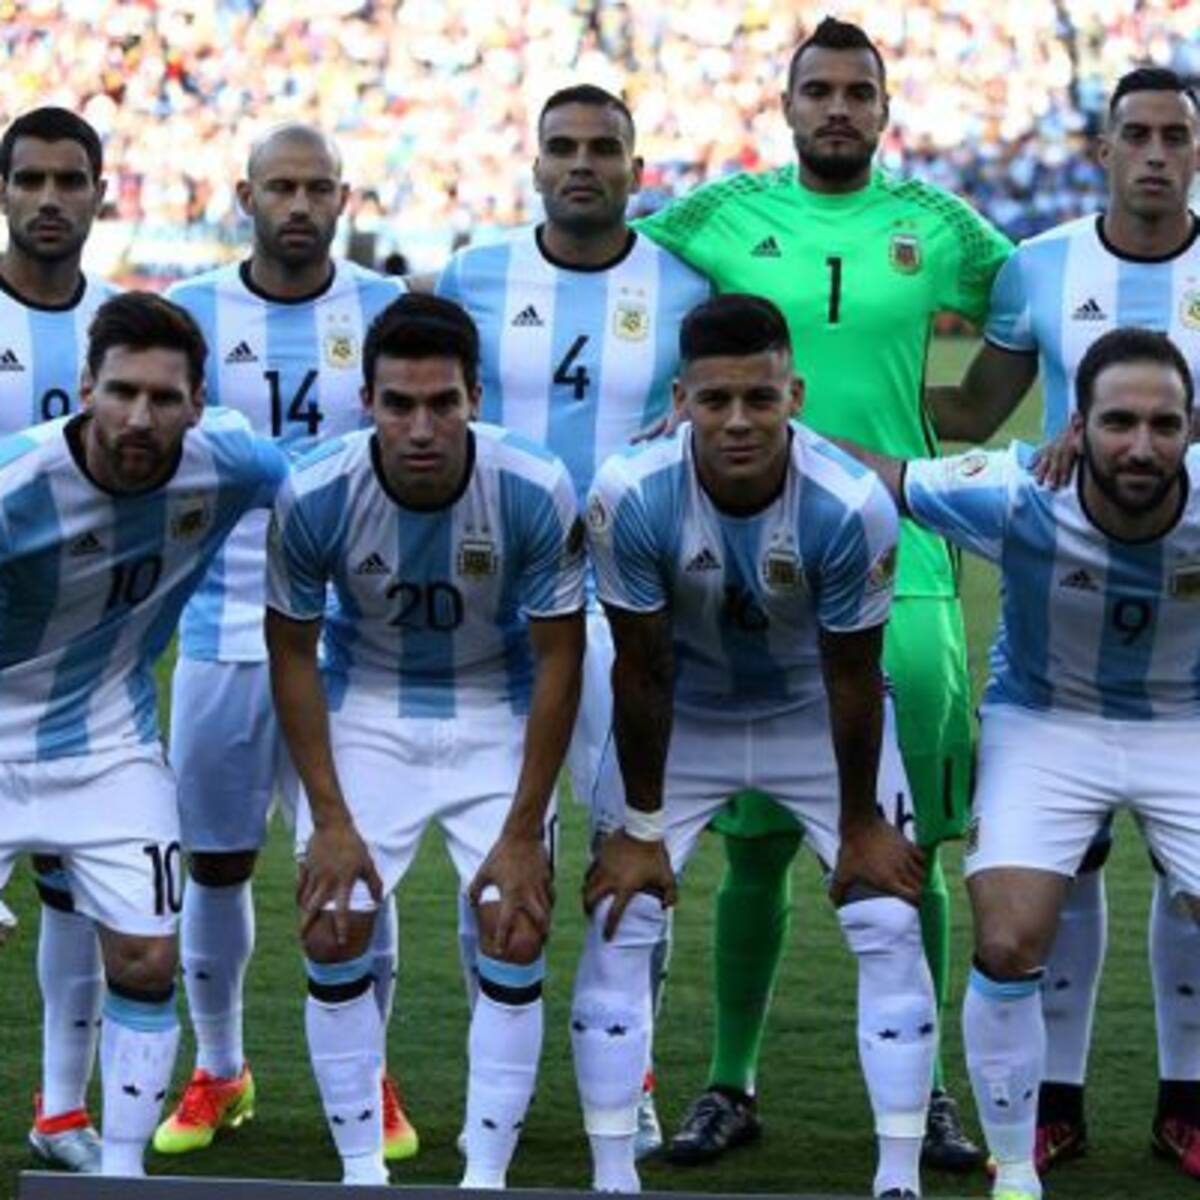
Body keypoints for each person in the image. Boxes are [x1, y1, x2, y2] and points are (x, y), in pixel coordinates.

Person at [634, 16, 1011, 1169]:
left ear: (885, 110)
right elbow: (616, 280)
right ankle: (730, 1081)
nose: (838, 107)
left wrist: (953, 431)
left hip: (911, 572)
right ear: (787, 105)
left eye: (858, 91)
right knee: (752, 847)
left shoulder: (942, 227)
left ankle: (927, 1091)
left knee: (910, 844)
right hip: (751, 574)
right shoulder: (716, 215)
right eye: (819, 90)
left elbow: (1027, 319)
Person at [572, 293, 934, 1200]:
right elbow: (640, 669)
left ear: (795, 396)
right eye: (716, 399)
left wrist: (860, 824)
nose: (738, 421)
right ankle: (613, 1177)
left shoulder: (851, 503)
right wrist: (641, 829)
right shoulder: (628, 491)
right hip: (683, 714)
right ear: (681, 400)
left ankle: (899, 1179)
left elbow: (854, 673)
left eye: (760, 399)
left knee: (887, 918)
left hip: (811, 711)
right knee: (622, 914)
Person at [848, 325, 1200, 1200]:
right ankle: (1015, 1170)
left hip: (1184, 726)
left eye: (1164, 424)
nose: (1141, 446)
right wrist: (764, 422)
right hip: (1047, 724)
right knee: (1007, 941)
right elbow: (885, 475)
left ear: (1192, 429)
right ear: (1075, 426)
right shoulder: (1016, 490)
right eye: (1118, 422)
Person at [927, 66, 1200, 1177]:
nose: (1155, 154)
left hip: (1189, 595)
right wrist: (868, 374)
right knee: (1063, 865)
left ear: (1195, 152)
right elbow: (967, 410)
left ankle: (1187, 1097)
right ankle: (1056, 1102)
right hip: (1068, 592)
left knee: (1188, 879)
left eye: (1175, 136)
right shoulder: (1039, 267)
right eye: (1136, 134)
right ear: (1102, 149)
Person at [435, 82, 711, 1155]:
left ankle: (629, 1069)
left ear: (637, 169)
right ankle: (493, 1061)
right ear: (536, 163)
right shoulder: (473, 276)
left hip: (627, 610)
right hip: (497, 609)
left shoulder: (686, 285)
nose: (583, 164)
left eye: (604, 148)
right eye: (564, 147)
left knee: (625, 846)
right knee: (493, 853)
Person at [265, 293, 585, 1186]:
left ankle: (486, 1175)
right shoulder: (314, 490)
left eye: (442, 403)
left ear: (475, 397)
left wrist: (523, 829)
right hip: (367, 705)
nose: (420, 427)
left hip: (496, 708)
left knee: (514, 929)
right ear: (366, 401)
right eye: (399, 404)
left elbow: (561, 658)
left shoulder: (534, 483)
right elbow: (290, 654)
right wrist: (330, 819)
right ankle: (362, 1171)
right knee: (335, 925)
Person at [154, 123, 413, 1160]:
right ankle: (221, 1069)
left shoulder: (388, 310)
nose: (298, 206)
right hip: (221, 627)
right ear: (244, 196)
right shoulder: (190, 312)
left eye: (316, 189)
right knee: (215, 864)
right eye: (280, 188)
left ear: (344, 199)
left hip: (354, 637)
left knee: (357, 862)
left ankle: (371, 1074)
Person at [0, 291, 287, 1176]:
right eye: (121, 391)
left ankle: (120, 1173)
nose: (138, 416)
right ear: (86, 387)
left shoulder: (229, 462)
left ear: (198, 405)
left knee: (146, 958)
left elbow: (324, 482)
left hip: (109, 742)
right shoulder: (14, 488)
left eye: (164, 398)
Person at [0, 105, 118, 1175]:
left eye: (68, 180)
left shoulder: (122, 327)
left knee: (78, 892)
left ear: (99, 195)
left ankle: (64, 1112)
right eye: (30, 179)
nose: (49, 199)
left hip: (87, 661)